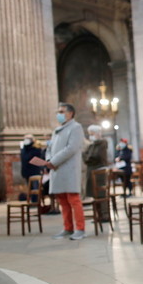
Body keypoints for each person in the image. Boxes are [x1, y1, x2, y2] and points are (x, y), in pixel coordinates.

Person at [46, 103, 86, 240]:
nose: (59, 114)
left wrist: (54, 161)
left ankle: (80, 229)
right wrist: (48, 160)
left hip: (69, 168)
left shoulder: (76, 127)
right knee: (62, 200)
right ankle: (68, 228)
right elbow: (49, 148)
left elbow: (72, 148)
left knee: (73, 199)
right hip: (57, 169)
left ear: (70, 113)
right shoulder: (57, 130)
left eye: (62, 112)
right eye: (58, 112)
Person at [83, 124, 109, 219]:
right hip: (91, 171)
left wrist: (88, 157)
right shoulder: (92, 145)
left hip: (99, 172)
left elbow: (95, 156)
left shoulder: (102, 143)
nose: (91, 135)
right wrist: (88, 157)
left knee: (101, 194)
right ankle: (98, 215)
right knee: (94, 195)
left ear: (98, 134)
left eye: (92, 133)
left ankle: (105, 215)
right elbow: (85, 156)